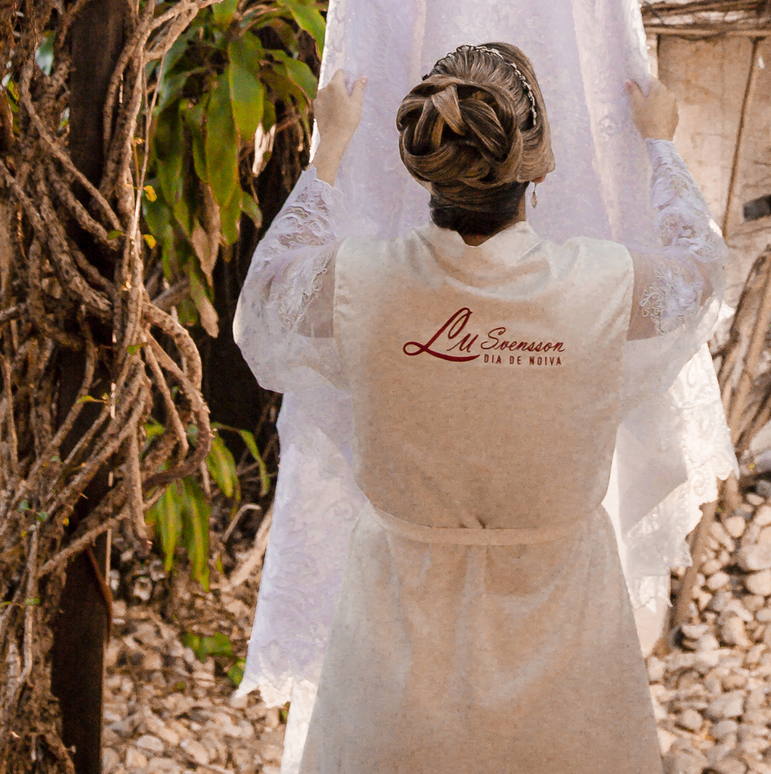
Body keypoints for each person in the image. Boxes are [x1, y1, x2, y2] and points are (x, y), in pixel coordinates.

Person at [234, 42, 727, 774]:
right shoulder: (602, 282)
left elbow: (265, 298)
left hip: (396, 628)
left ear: (421, 161)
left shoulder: (361, 280)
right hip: (563, 622)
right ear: (539, 160)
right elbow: (703, 273)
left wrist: (327, 154)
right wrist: (660, 144)